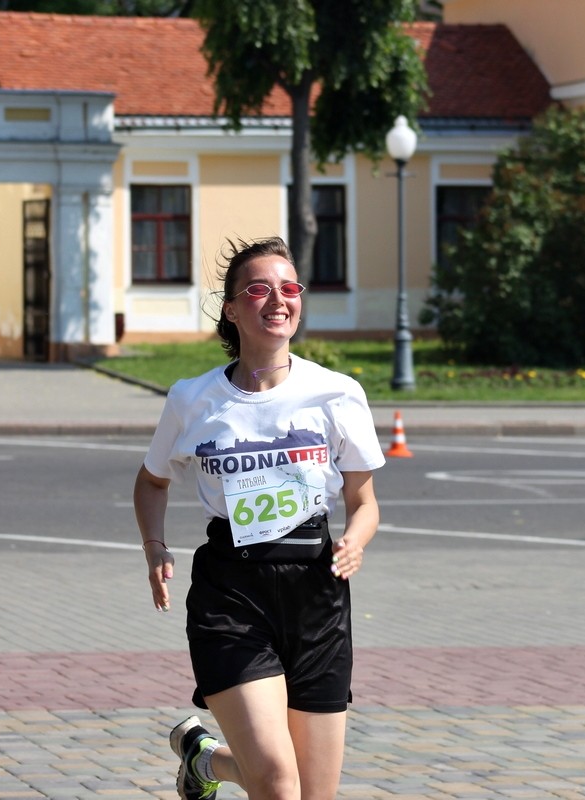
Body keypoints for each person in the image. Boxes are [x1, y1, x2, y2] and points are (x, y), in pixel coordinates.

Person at [133, 236, 385, 800]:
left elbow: (365, 502)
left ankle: (203, 760)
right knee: (275, 778)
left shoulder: (336, 393)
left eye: (289, 287)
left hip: (317, 594)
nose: (278, 299)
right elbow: (151, 482)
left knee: (310, 792)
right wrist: (155, 546)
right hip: (232, 592)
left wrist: (356, 539)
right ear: (231, 308)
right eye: (259, 288)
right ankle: (213, 760)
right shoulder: (192, 398)